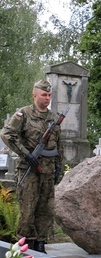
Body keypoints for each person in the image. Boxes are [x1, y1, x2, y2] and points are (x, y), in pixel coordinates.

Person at [0, 80, 63, 253]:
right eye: (44, 95)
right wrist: (26, 154)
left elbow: (58, 144)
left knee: (46, 208)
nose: (47, 98)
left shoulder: (54, 117)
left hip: (48, 170)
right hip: (29, 171)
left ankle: (41, 242)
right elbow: (6, 134)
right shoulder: (24, 114)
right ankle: (26, 243)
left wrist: (59, 167)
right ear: (34, 95)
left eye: (49, 95)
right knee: (28, 208)